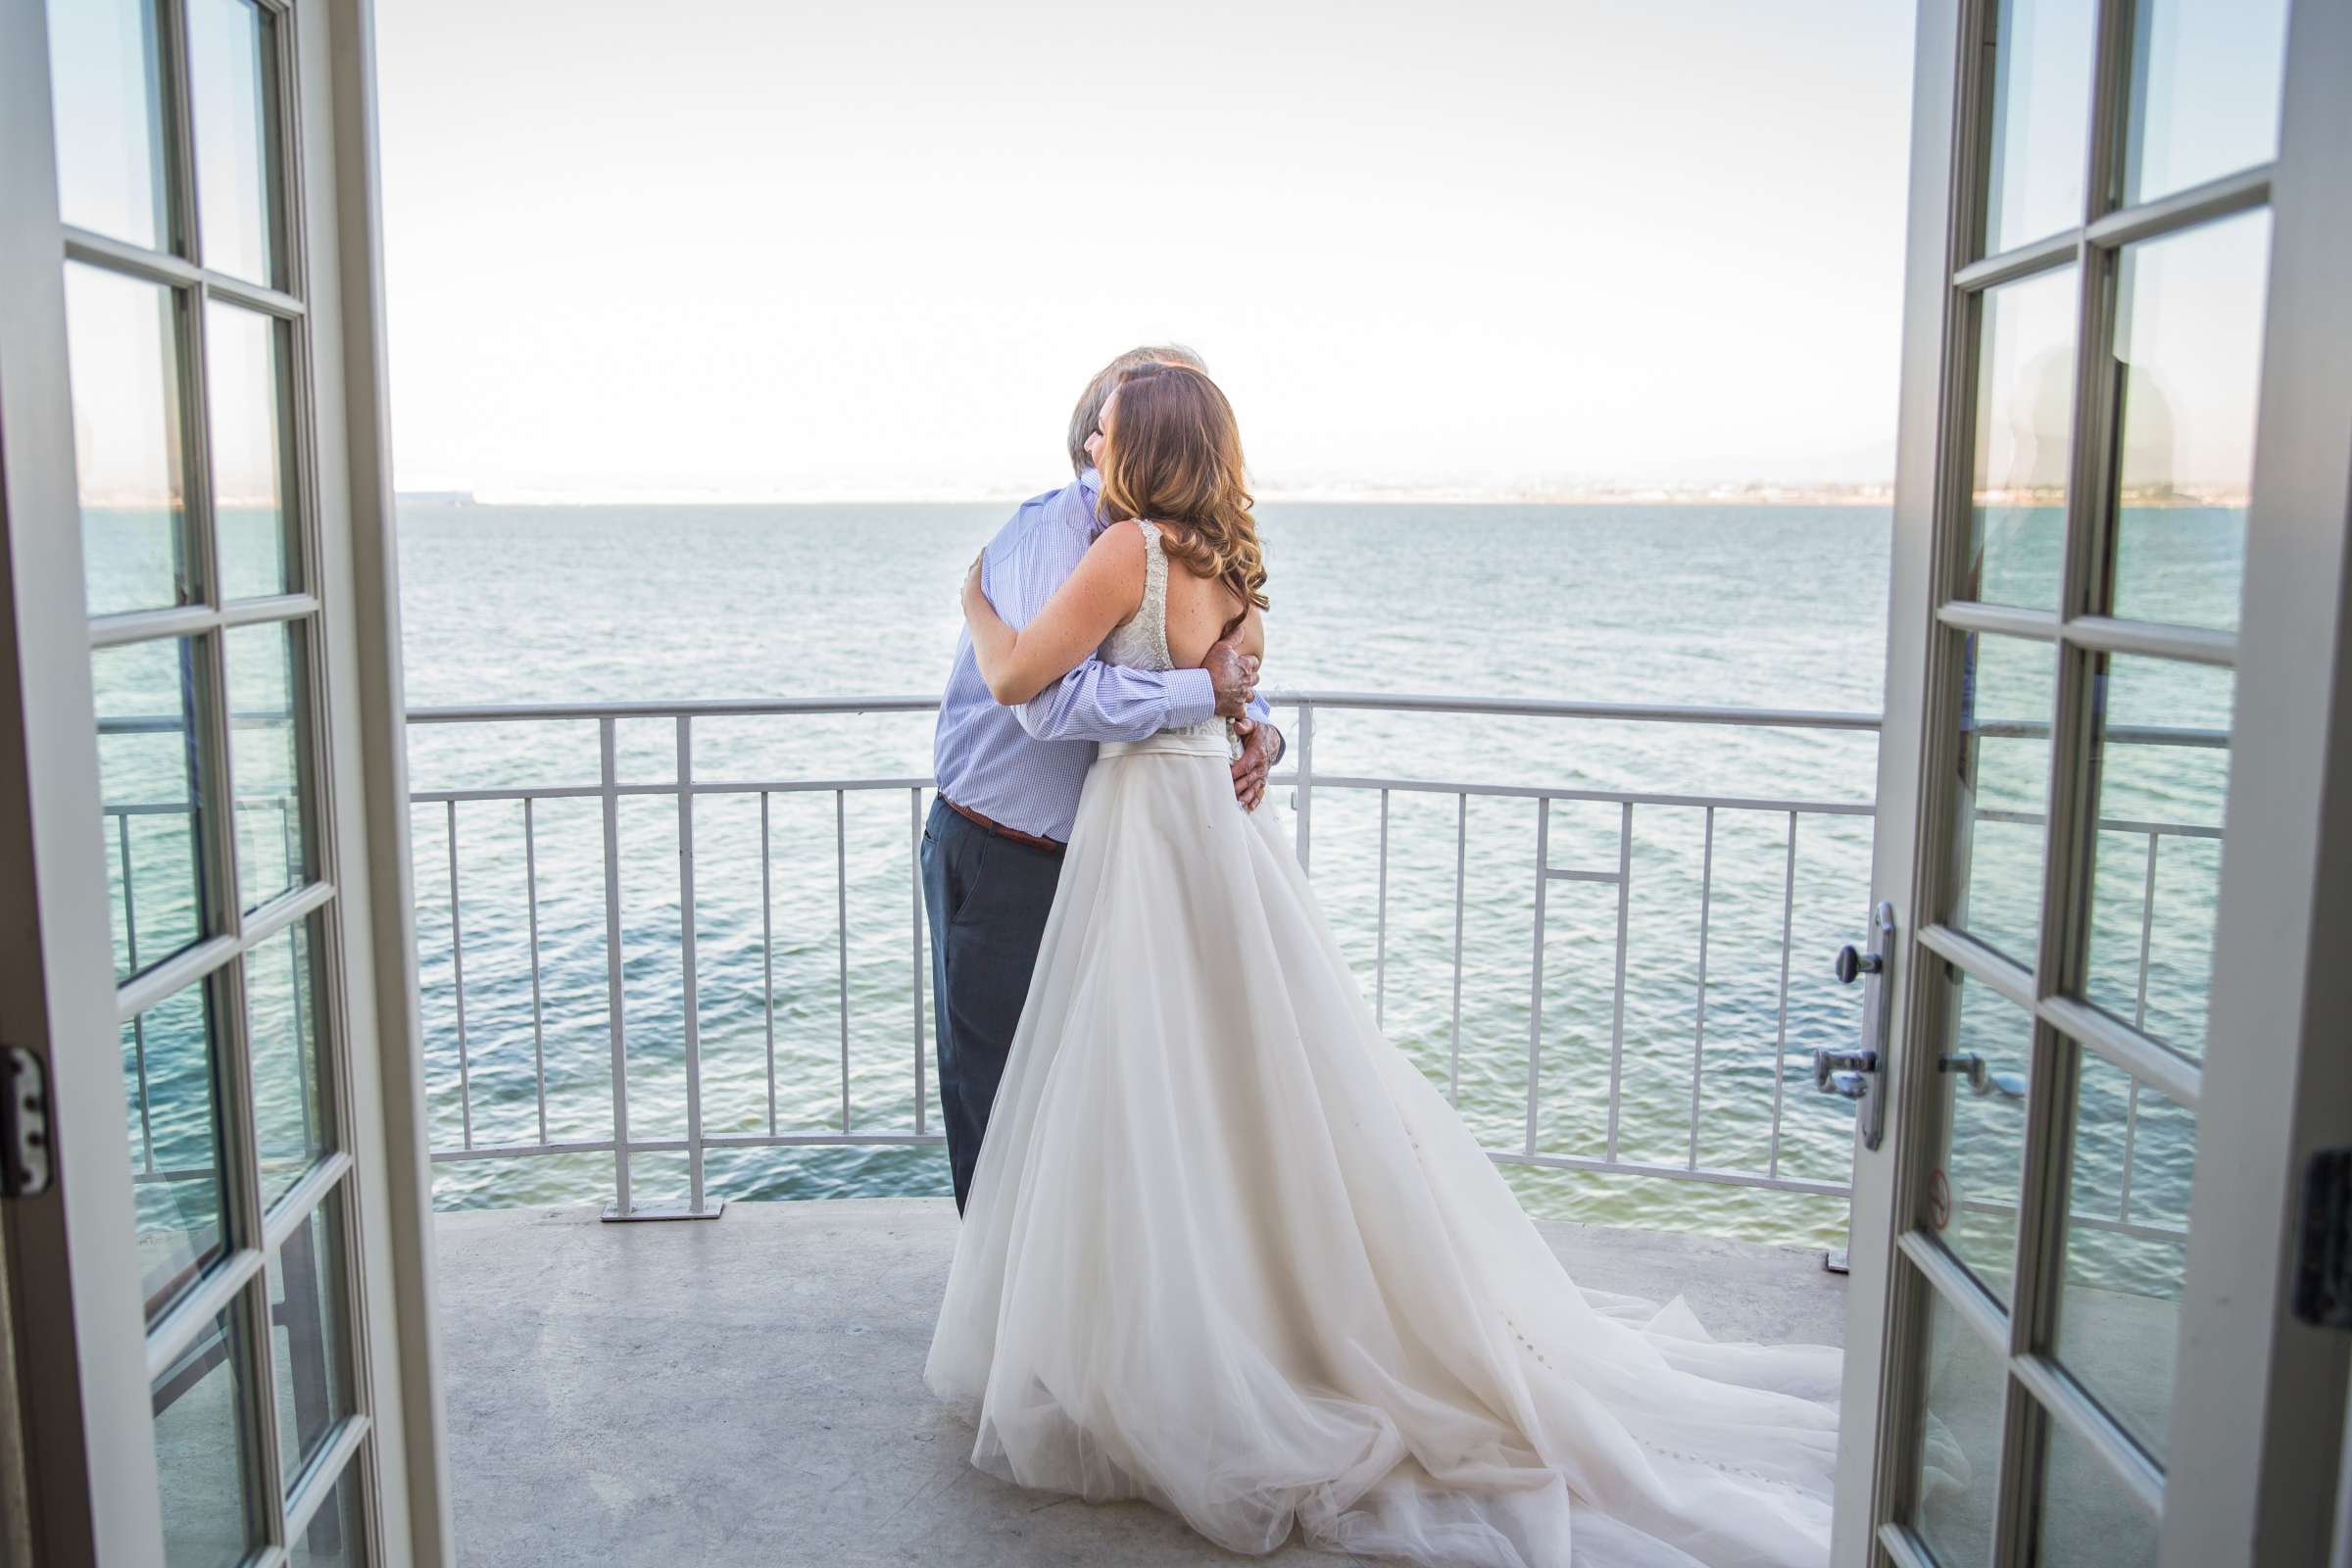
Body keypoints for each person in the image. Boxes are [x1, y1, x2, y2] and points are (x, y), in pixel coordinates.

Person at [925, 361, 1851, 1567]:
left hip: (1147, 839)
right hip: (1207, 833)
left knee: (1134, 1086)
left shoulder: (1122, 551)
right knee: (1236, 1085)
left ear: (1140, 448)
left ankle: (1140, 1337)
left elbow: (1026, 691)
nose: (1088, 451)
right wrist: (1226, 702)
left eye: (1103, 435)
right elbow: (1221, 691)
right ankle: (1220, 1310)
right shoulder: (1234, 575)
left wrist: (976, 607)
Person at [922, 346, 1283, 1211]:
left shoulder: (1176, 547)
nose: (1097, 447)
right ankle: (1005, 1306)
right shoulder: (1058, 533)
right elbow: (1045, 704)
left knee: (1124, 1094)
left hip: (1128, 855)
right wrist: (1208, 691)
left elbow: (1236, 674)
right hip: (1009, 852)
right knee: (1003, 1095)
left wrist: (1262, 731)